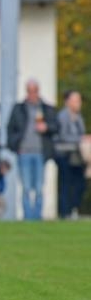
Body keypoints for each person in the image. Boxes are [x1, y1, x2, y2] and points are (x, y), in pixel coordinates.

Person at [7, 79, 58, 220]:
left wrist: (46, 127)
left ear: (38, 90)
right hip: (24, 153)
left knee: (39, 187)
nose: (32, 94)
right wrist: (15, 145)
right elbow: (10, 129)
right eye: (29, 91)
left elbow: (56, 127)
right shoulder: (18, 109)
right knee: (26, 187)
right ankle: (28, 217)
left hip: (40, 153)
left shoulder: (47, 109)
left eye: (34, 91)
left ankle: (37, 216)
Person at [54, 90, 86, 219]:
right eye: (76, 100)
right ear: (67, 102)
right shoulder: (62, 116)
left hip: (77, 155)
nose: (79, 103)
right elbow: (63, 136)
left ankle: (73, 208)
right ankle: (65, 212)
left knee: (80, 184)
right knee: (66, 184)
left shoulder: (78, 117)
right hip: (64, 154)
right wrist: (81, 139)